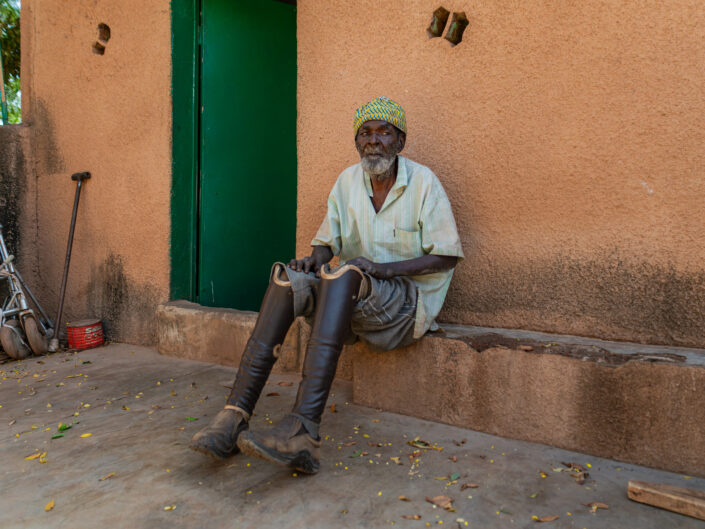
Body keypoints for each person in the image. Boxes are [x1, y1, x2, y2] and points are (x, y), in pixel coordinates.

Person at [190, 96, 464, 474]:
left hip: (405, 309)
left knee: (346, 273)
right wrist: (312, 261)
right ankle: (234, 414)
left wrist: (383, 270)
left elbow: (447, 256)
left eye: (384, 133)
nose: (373, 141)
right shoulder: (347, 181)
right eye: (365, 133)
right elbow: (326, 245)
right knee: (289, 279)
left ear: (400, 142)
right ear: (357, 143)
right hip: (352, 303)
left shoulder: (424, 183)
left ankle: (304, 429)